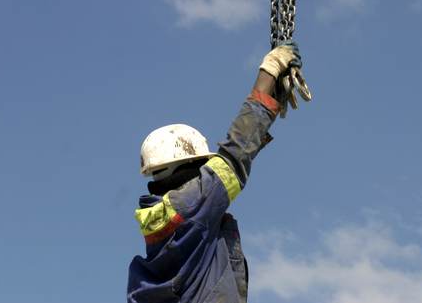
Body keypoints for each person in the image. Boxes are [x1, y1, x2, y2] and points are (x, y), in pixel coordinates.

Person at [127, 42, 302, 303]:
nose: (205, 173)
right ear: (186, 167)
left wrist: (268, 112)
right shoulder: (193, 203)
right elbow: (234, 156)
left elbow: (236, 158)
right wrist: (270, 71)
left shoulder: (164, 222)